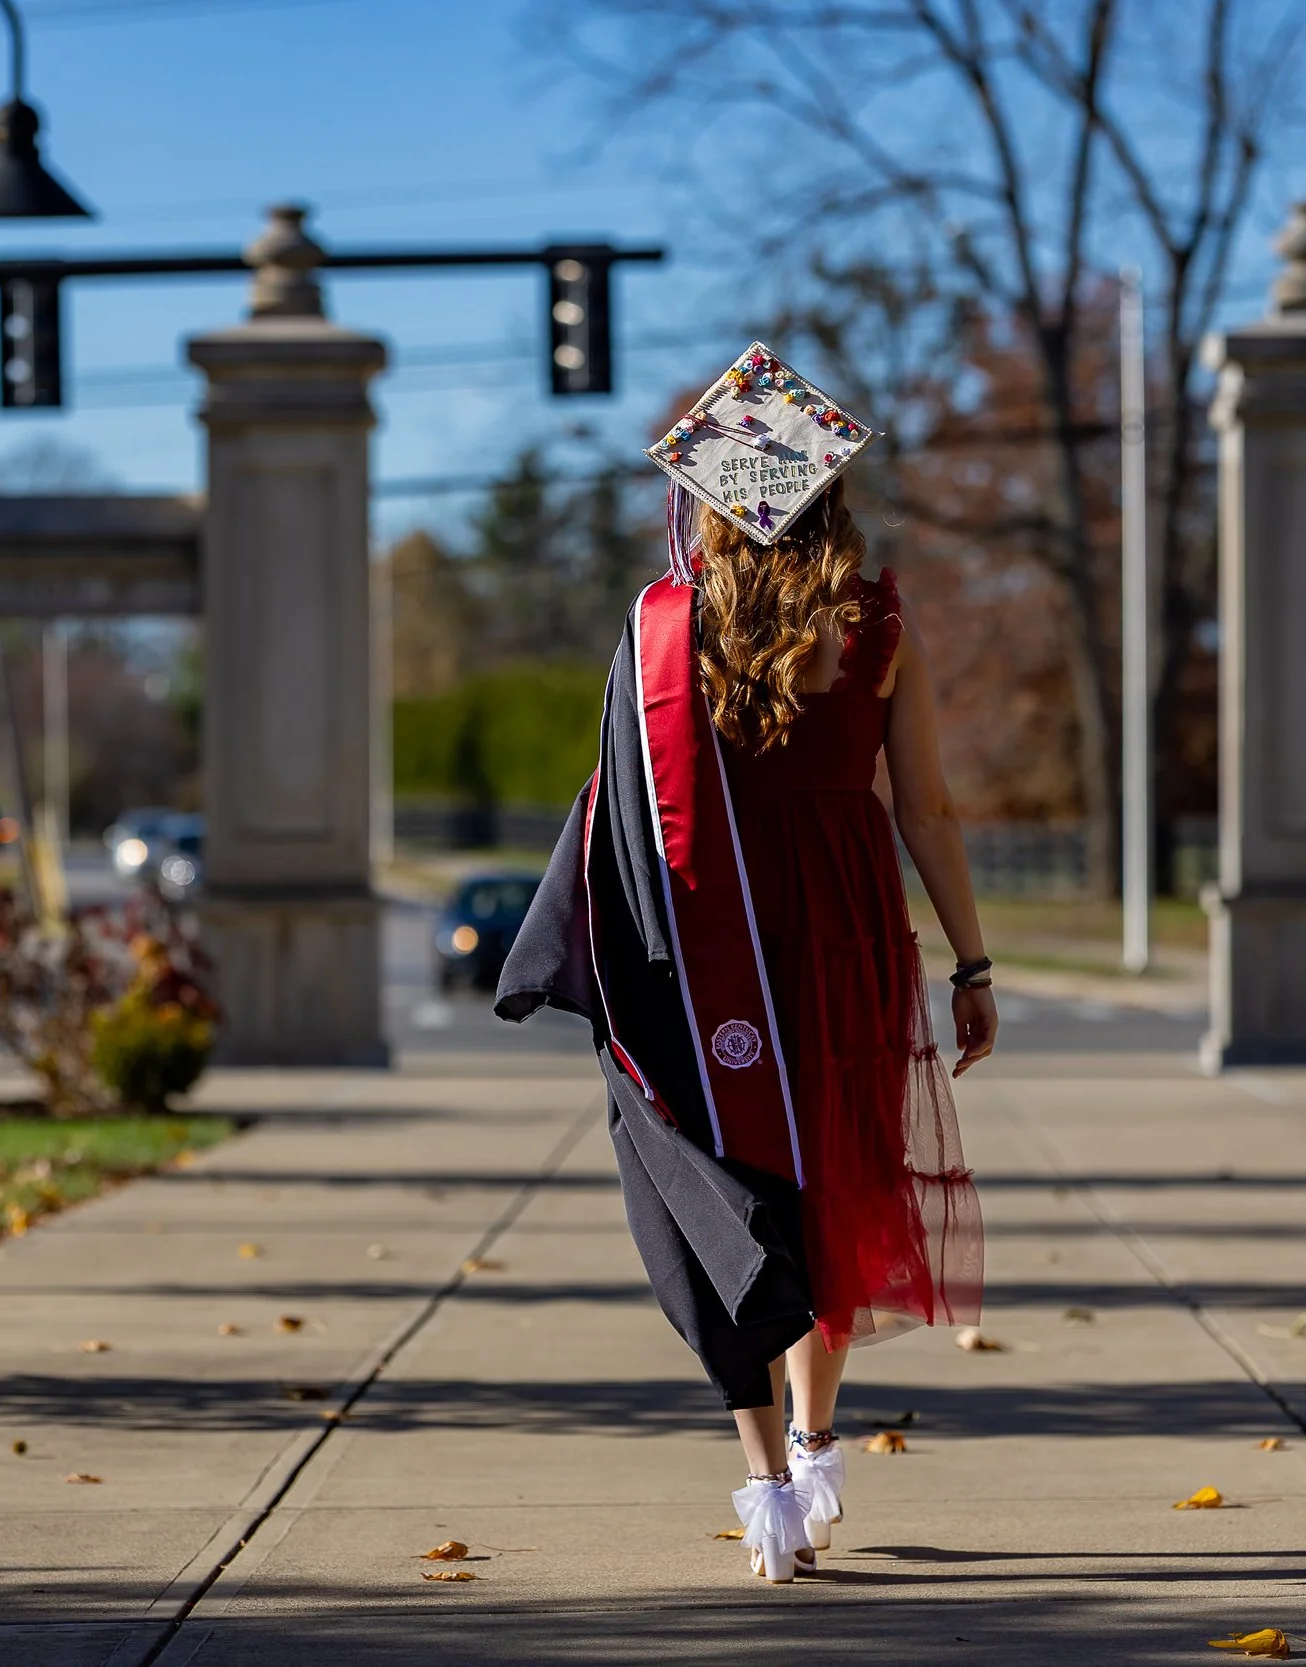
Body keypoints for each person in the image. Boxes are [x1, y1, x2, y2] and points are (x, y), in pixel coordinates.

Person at [499, 346, 991, 1585]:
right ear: (830, 493)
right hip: (847, 932)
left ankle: (768, 1477)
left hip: (717, 946)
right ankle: (820, 1440)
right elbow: (925, 804)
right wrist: (973, 961)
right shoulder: (874, 616)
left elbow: (616, 811)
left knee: (735, 1180)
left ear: (712, 502)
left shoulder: (669, 629)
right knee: (835, 1175)